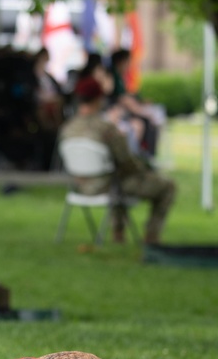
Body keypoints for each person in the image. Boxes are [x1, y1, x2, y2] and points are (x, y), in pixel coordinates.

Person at [60, 76, 176, 245]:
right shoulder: (106, 129)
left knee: (116, 177)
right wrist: (145, 169)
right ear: (99, 99)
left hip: (80, 187)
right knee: (167, 186)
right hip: (108, 187)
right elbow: (126, 161)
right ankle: (151, 236)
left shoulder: (68, 129)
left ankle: (119, 232)